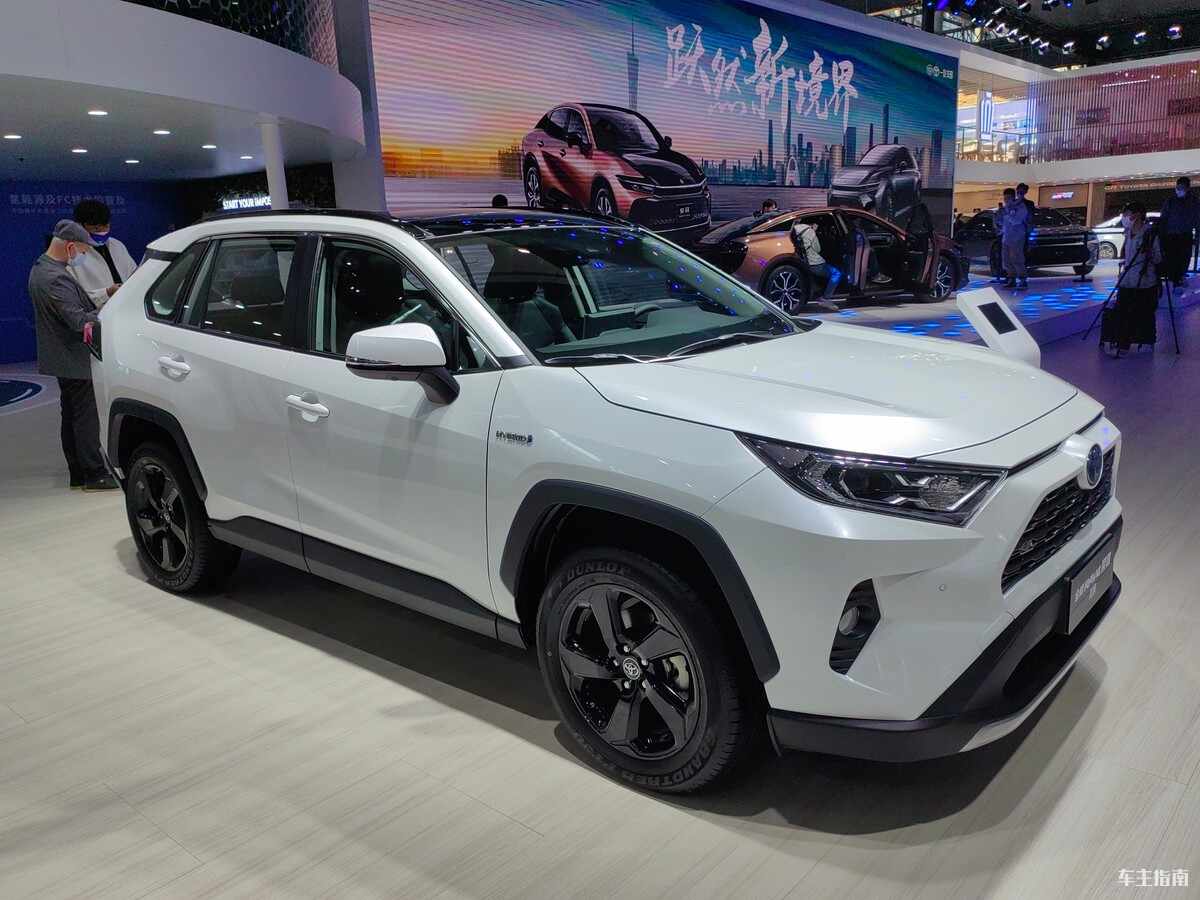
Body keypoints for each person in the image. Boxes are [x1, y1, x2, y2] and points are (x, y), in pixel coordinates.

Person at [27, 220, 118, 491]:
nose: (82, 256)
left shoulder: (40, 269)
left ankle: (78, 472)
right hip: (74, 358)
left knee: (72, 414)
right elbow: (79, 322)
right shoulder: (55, 278)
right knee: (85, 417)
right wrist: (112, 310)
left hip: (62, 358)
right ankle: (94, 473)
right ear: (70, 247)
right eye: (82, 250)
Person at [1109, 202, 1163, 357]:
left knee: (1144, 312)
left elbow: (1158, 258)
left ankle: (1146, 341)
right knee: (1123, 312)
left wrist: (1149, 256)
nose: (1125, 217)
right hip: (1127, 279)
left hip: (1145, 281)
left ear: (1137, 214)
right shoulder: (1127, 233)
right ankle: (1123, 343)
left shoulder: (1149, 234)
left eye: (1127, 213)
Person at [69, 199, 137, 309]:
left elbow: (134, 274)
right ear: (80, 226)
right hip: (95, 314)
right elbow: (72, 297)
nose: (102, 232)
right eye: (96, 228)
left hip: (125, 307)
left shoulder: (117, 245)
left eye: (106, 226)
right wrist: (106, 293)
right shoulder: (71, 254)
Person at [790, 218, 841, 307]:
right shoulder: (810, 231)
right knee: (836, 273)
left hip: (803, 262)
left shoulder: (793, 230)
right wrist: (813, 231)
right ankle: (825, 298)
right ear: (813, 223)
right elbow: (818, 249)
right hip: (815, 263)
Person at [1159, 176, 1199, 286]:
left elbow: (1197, 220)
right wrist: (1162, 235)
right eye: (1177, 187)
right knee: (1171, 260)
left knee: (1183, 259)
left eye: (1182, 188)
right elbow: (1164, 218)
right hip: (1170, 236)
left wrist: (1197, 236)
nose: (1179, 190)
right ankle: (1174, 280)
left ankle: (1179, 278)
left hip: (1185, 236)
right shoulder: (1170, 201)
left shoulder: (1194, 202)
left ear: (1188, 188)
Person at [999, 187, 1031, 289]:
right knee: (1006, 259)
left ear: (1013, 197)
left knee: (1017, 258)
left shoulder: (1020, 207)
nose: (1006, 200)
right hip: (1006, 237)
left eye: (1008, 198)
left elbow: (1016, 221)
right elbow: (1003, 223)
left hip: (1017, 237)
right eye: (1005, 198)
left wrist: (1007, 214)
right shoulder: (1005, 208)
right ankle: (1011, 278)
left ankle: (1022, 280)